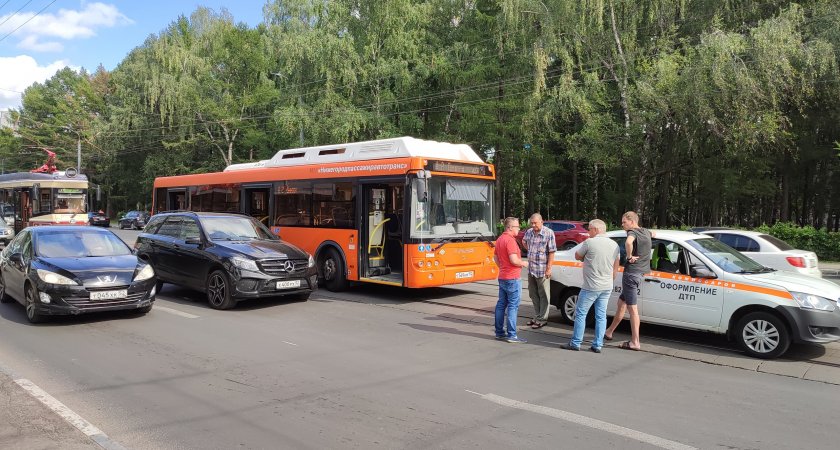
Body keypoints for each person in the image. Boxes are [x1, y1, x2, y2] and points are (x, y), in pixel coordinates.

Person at [561, 219, 619, 353]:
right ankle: (598, 344)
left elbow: (577, 255)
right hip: (607, 285)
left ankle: (575, 343)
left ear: (596, 230)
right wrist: (610, 280)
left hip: (591, 285)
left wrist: (585, 257)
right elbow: (615, 265)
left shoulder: (589, 243)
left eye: (590, 229)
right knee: (601, 315)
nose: (588, 232)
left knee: (581, 313)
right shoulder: (614, 244)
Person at [604, 211, 655, 351]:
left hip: (631, 274)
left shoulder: (631, 232)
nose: (622, 224)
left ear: (632, 222)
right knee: (621, 303)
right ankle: (609, 332)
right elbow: (654, 234)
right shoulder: (645, 231)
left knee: (632, 309)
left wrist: (629, 255)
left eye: (624, 222)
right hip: (639, 274)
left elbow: (628, 242)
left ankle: (635, 342)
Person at [494, 217, 529, 343]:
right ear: (509, 227)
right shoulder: (510, 241)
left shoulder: (500, 239)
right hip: (512, 278)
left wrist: (503, 268)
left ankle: (499, 332)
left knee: (501, 305)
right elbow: (514, 260)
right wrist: (523, 263)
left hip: (502, 276)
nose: (519, 229)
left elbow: (495, 258)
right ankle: (512, 335)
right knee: (513, 306)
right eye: (517, 227)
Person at [522, 213, 556, 329]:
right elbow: (523, 241)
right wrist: (530, 249)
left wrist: (549, 268)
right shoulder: (529, 232)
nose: (533, 225)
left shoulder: (548, 233)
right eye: (531, 223)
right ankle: (537, 316)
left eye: (535, 223)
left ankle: (542, 319)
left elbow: (552, 252)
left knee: (544, 295)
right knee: (533, 294)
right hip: (531, 269)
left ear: (542, 221)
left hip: (542, 269)